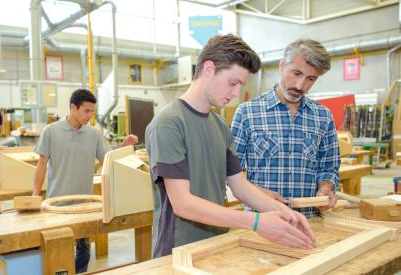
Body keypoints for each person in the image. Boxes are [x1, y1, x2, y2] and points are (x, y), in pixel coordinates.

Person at [145, 34, 316, 258]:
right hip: (177, 251)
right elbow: (183, 204)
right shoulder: (169, 123)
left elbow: (240, 186)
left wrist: (286, 214)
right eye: (233, 83)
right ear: (208, 69)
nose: (236, 93)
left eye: (240, 85)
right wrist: (256, 222)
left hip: (216, 245)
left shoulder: (219, 125)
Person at [231, 39, 340, 218]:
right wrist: (257, 194)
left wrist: (326, 188)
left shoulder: (323, 116)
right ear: (282, 65)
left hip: (310, 220)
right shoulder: (247, 113)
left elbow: (329, 166)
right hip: (262, 220)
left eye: (310, 79)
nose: (300, 86)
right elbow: (230, 172)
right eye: (296, 73)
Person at [32, 89, 137, 273]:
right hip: (57, 204)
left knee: (84, 251)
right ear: (73, 107)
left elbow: (108, 160)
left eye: (92, 112)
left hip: (85, 204)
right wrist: (35, 196)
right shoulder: (51, 131)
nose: (90, 116)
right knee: (57, 249)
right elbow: (41, 165)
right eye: (86, 111)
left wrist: (123, 146)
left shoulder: (94, 135)